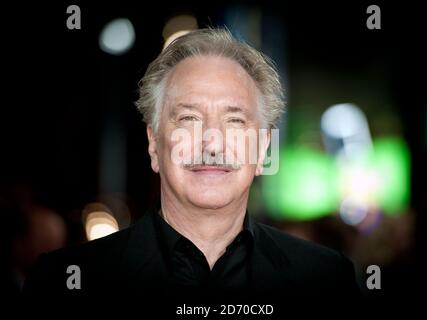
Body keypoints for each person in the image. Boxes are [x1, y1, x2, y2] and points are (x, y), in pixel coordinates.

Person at [23, 28, 359, 306]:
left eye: (234, 120)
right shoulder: (65, 285)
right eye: (189, 118)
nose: (211, 143)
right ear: (154, 144)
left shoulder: (326, 282)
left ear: (263, 148)